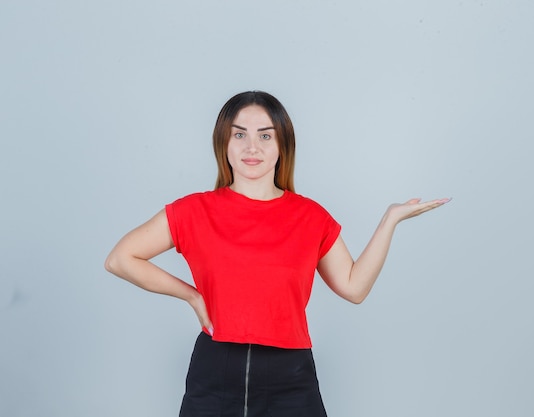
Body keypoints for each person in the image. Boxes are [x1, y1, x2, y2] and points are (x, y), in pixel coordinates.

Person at [104, 91, 450, 417]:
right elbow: (120, 258)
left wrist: (389, 220)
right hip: (215, 371)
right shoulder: (194, 211)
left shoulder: (311, 216)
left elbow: (353, 287)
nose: (251, 147)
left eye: (265, 136)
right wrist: (192, 296)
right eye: (239, 135)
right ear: (223, 142)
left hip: (291, 376)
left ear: (282, 144)